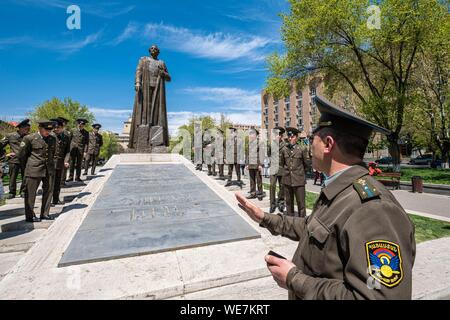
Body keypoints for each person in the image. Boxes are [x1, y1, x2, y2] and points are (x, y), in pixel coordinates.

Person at [236, 95, 415, 300]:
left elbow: (376, 297)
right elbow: (312, 228)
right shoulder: (341, 190)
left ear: (328, 144)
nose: (310, 146)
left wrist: (294, 279)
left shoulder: (373, 210)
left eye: (313, 139)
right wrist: (265, 218)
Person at [129, 44, 171, 149]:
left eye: (155, 49)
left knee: (157, 113)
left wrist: (163, 73)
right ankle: (143, 135)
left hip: (158, 89)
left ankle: (156, 139)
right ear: (149, 50)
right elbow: (138, 71)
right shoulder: (143, 60)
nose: (153, 50)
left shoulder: (161, 63)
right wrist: (137, 82)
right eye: (152, 48)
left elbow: (169, 78)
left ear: (158, 51)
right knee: (144, 111)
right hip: (145, 87)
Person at [19, 120, 57, 222]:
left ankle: (45, 214)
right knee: (30, 194)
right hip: (34, 169)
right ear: (40, 128)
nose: (48, 132)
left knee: (48, 191)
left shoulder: (52, 138)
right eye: (46, 130)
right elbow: (22, 156)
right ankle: (30, 216)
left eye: (50, 130)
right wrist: (27, 168)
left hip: (48, 169)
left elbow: (52, 154)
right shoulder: (29, 138)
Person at [280, 127, 309, 217]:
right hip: (287, 180)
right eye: (288, 137)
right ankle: (290, 220)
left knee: (301, 203)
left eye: (292, 137)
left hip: (299, 180)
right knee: (289, 203)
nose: (290, 138)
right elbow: (282, 163)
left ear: (296, 137)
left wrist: (301, 174)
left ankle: (302, 221)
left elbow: (306, 164)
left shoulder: (302, 149)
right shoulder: (284, 149)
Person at [0, 119, 30, 199]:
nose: (28, 130)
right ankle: (12, 192)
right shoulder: (10, 136)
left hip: (26, 160)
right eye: (26, 129)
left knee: (25, 177)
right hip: (14, 160)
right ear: (20, 128)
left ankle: (23, 191)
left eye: (28, 129)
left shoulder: (29, 137)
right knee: (13, 177)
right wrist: (6, 155)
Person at [51, 118, 70, 205]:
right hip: (50, 164)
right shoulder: (50, 136)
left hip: (60, 163)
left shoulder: (66, 137)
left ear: (62, 128)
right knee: (49, 183)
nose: (56, 129)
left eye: (58, 127)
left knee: (58, 183)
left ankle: (56, 199)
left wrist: (66, 160)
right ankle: (47, 201)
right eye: (55, 127)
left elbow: (67, 151)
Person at [269, 126, 286, 213]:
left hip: (282, 169)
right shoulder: (271, 145)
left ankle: (281, 202)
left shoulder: (285, 145)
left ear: (281, 136)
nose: (276, 136)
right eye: (275, 134)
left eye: (278, 135)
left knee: (282, 186)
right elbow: (268, 155)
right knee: (272, 186)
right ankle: (272, 204)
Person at [246, 129, 264, 200]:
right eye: (250, 134)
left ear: (256, 135)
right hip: (251, 164)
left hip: (257, 164)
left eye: (253, 134)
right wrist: (247, 164)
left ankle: (260, 193)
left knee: (259, 179)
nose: (251, 135)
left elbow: (262, 154)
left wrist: (260, 164)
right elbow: (247, 154)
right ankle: (253, 193)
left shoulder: (260, 143)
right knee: (252, 179)